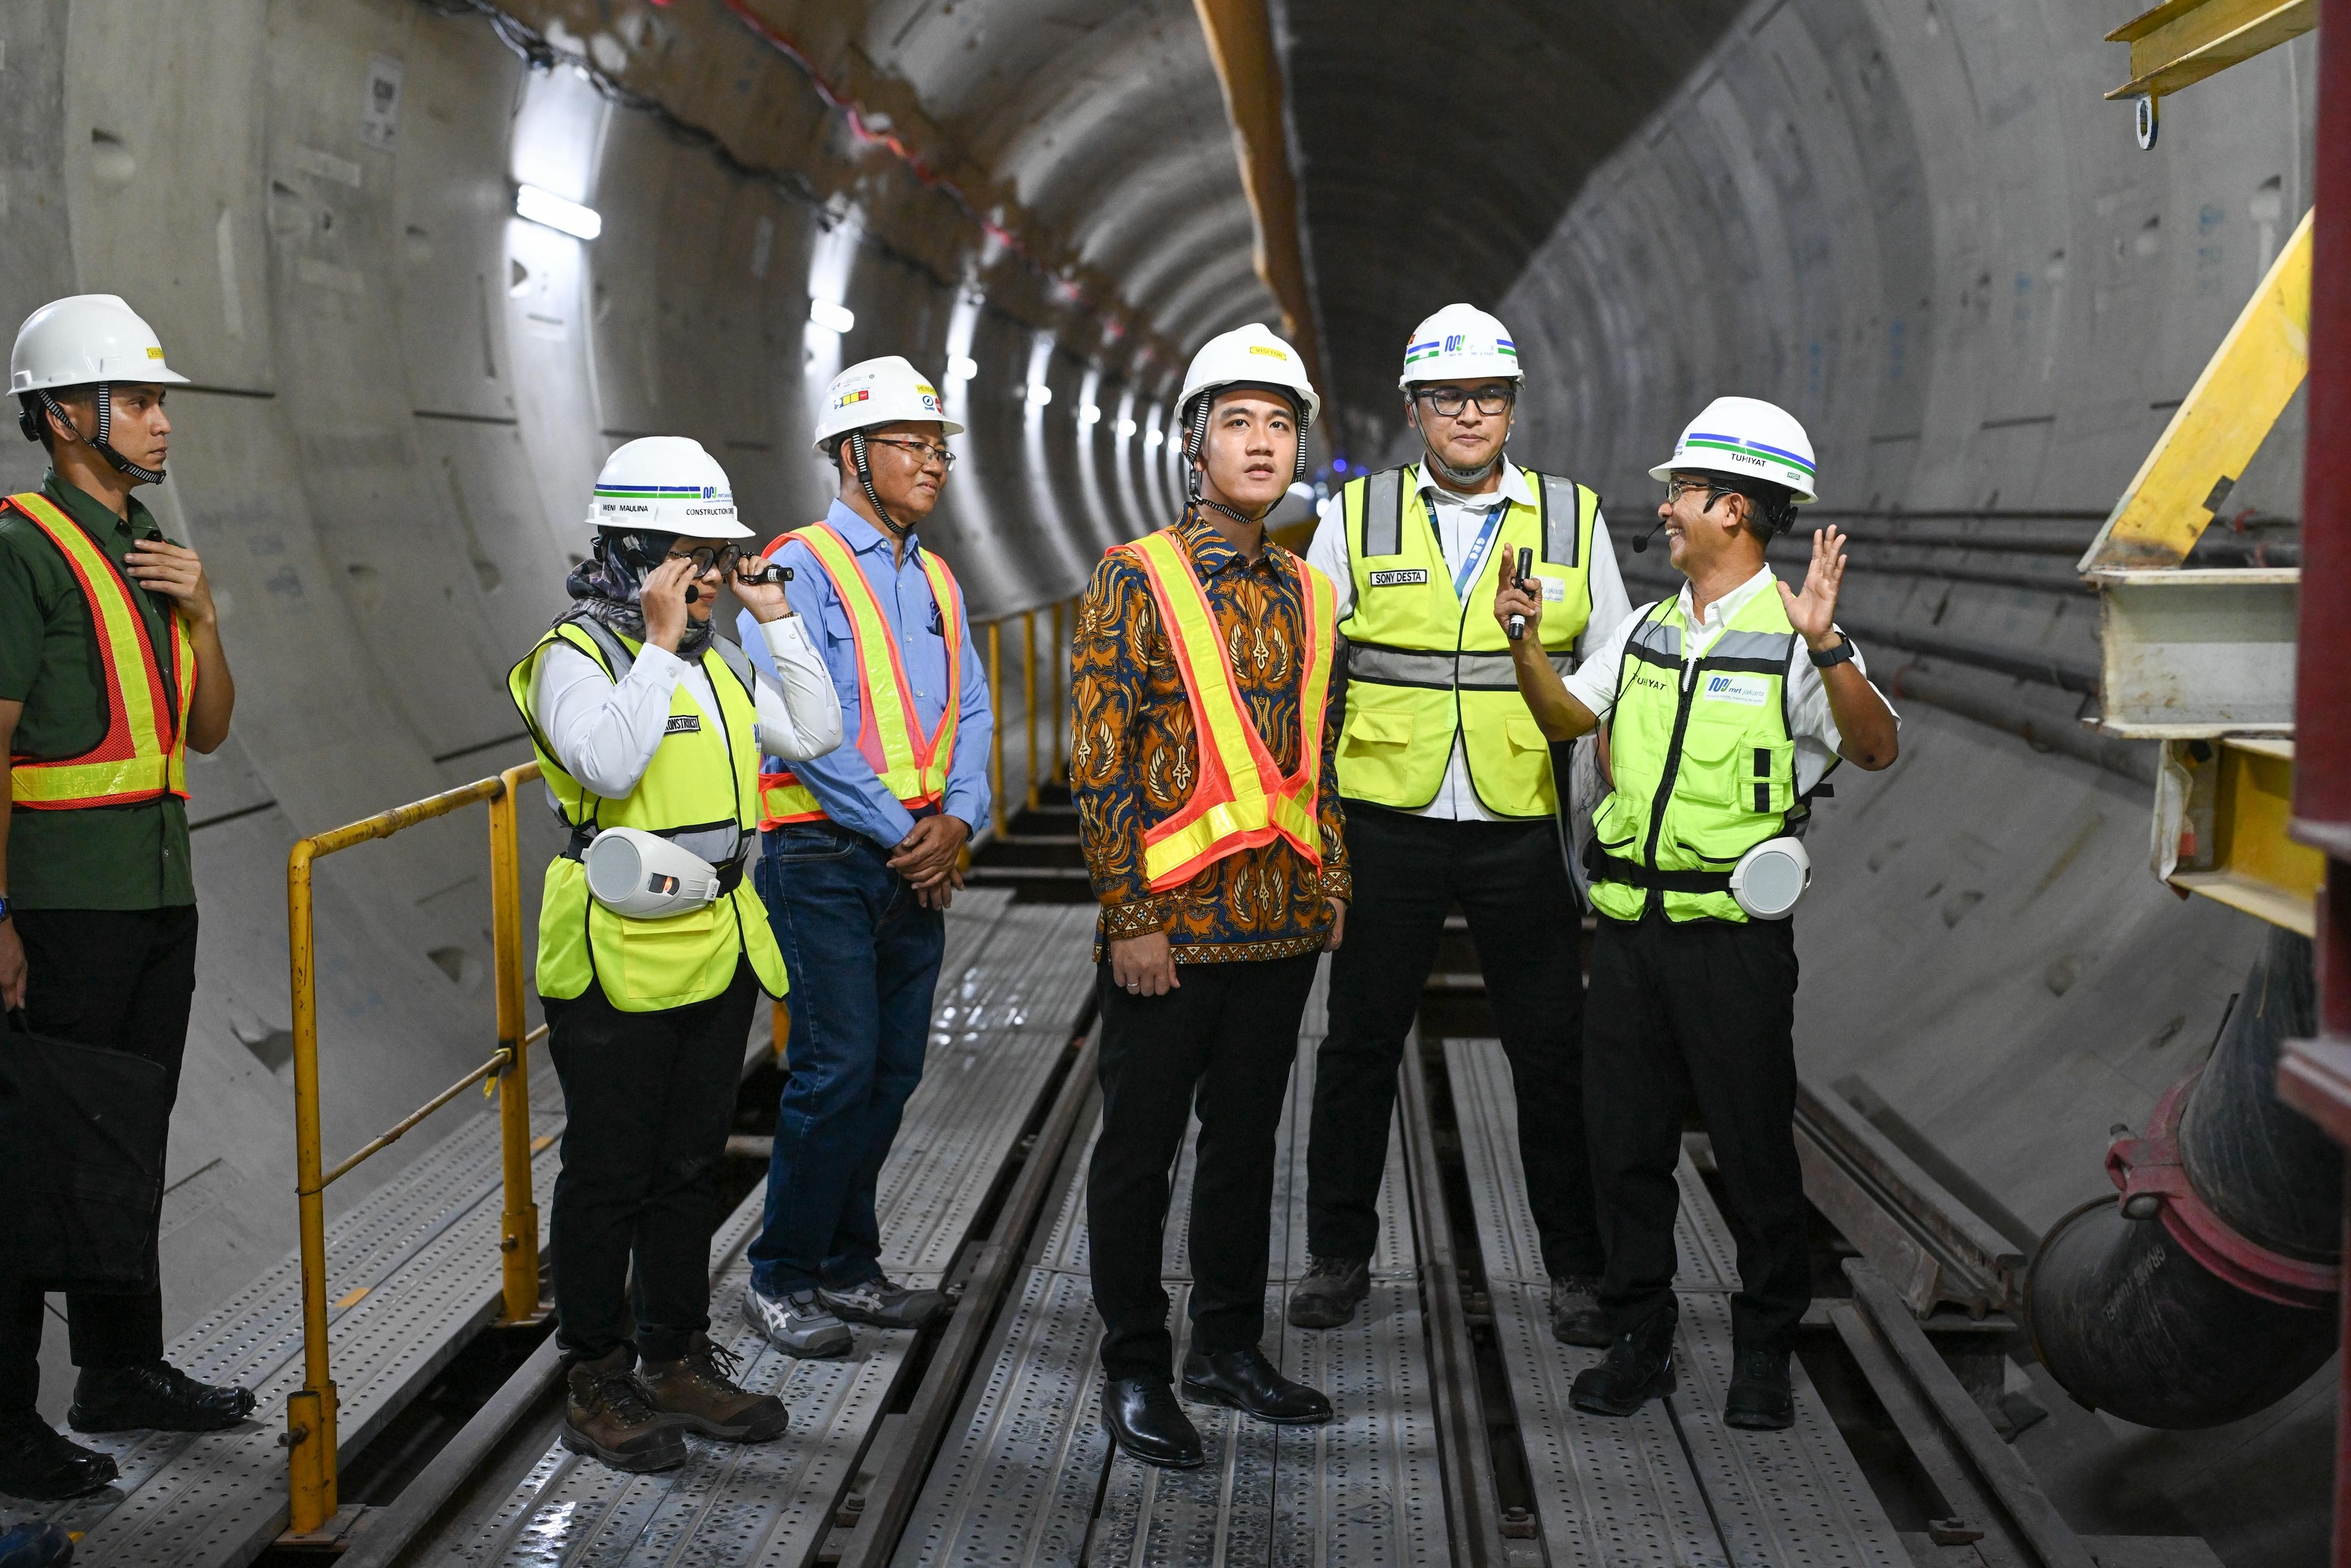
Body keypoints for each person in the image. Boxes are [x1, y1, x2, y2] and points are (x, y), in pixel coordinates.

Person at [1493, 396, 1898, 1430]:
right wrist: (1526, 647)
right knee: (1622, 1142)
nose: (1666, 509)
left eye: (1681, 491)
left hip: (1734, 942)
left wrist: (1833, 646)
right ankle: (1641, 1334)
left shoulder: (1799, 632)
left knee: (1756, 1146)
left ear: (1732, 506)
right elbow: (1563, 717)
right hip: (1630, 933)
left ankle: (1762, 1346)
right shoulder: (1644, 629)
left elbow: (1877, 746)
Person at [1294, 303, 1630, 1345]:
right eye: (1449, 397)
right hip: (1387, 814)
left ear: (1514, 407)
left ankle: (1575, 1269)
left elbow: (1616, 664)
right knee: (1359, 1041)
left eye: (1488, 395)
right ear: (1414, 411)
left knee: (1549, 1046)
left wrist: (1611, 807)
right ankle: (1337, 1256)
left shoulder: (1572, 516)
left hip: (1519, 815)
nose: (1470, 414)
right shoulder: (1355, 519)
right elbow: (1308, 665)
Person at [509, 435, 842, 1473]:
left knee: (688, 1166)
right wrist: (657, 642)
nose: (712, 573)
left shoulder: (723, 658)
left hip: (719, 941)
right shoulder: (578, 654)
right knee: (611, 1171)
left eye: (719, 553)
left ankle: (675, 1353)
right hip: (618, 954)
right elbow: (606, 761)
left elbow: (821, 733)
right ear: (644, 553)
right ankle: (596, 1378)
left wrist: (776, 622)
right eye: (697, 553)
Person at [1073, 323, 1348, 1471]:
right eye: (1237, 421)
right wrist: (1129, 915)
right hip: (1171, 935)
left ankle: (1226, 1345)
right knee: (1140, 1152)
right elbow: (1102, 755)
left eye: (1279, 425)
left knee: (1246, 1145)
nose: (1261, 443)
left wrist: (1331, 876)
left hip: (1279, 928)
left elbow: (1321, 753)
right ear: (1195, 445)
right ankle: (1138, 1362)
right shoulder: (1133, 579)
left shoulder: (1313, 592)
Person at [0, 295, 250, 1501]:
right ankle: (5, 1420)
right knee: (32, 1157)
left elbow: (206, 732)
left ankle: (122, 1369)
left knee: (126, 1138)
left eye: (158, 404)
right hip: (61, 907)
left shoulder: (150, 552)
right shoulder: (19, 551)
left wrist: (205, 613)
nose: (160, 422)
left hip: (157, 897)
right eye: (139, 402)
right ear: (62, 416)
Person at [738, 357, 992, 1358]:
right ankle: (780, 1273)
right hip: (824, 857)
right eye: (911, 445)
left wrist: (960, 819)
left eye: (940, 447)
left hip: (918, 859)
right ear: (852, 455)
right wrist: (908, 833)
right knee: (834, 1069)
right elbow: (806, 734)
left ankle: (849, 1264)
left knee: (889, 1072)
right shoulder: (792, 567)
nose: (934, 462)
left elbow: (968, 705)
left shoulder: (935, 575)